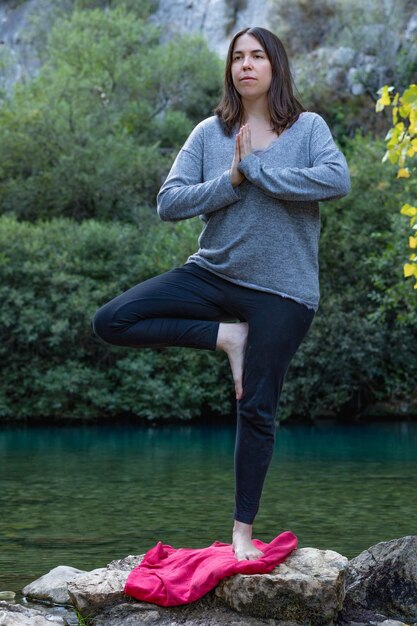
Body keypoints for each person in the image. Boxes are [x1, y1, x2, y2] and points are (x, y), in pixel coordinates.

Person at [92, 26, 350, 561]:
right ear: (229, 69)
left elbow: (336, 179)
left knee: (257, 407)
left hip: (284, 291)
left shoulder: (308, 128)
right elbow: (169, 202)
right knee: (112, 319)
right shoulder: (210, 132)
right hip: (213, 274)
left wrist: (255, 169)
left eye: (257, 56)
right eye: (238, 57)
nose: (246, 65)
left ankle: (241, 531)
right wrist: (229, 181)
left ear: (275, 66)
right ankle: (227, 337)